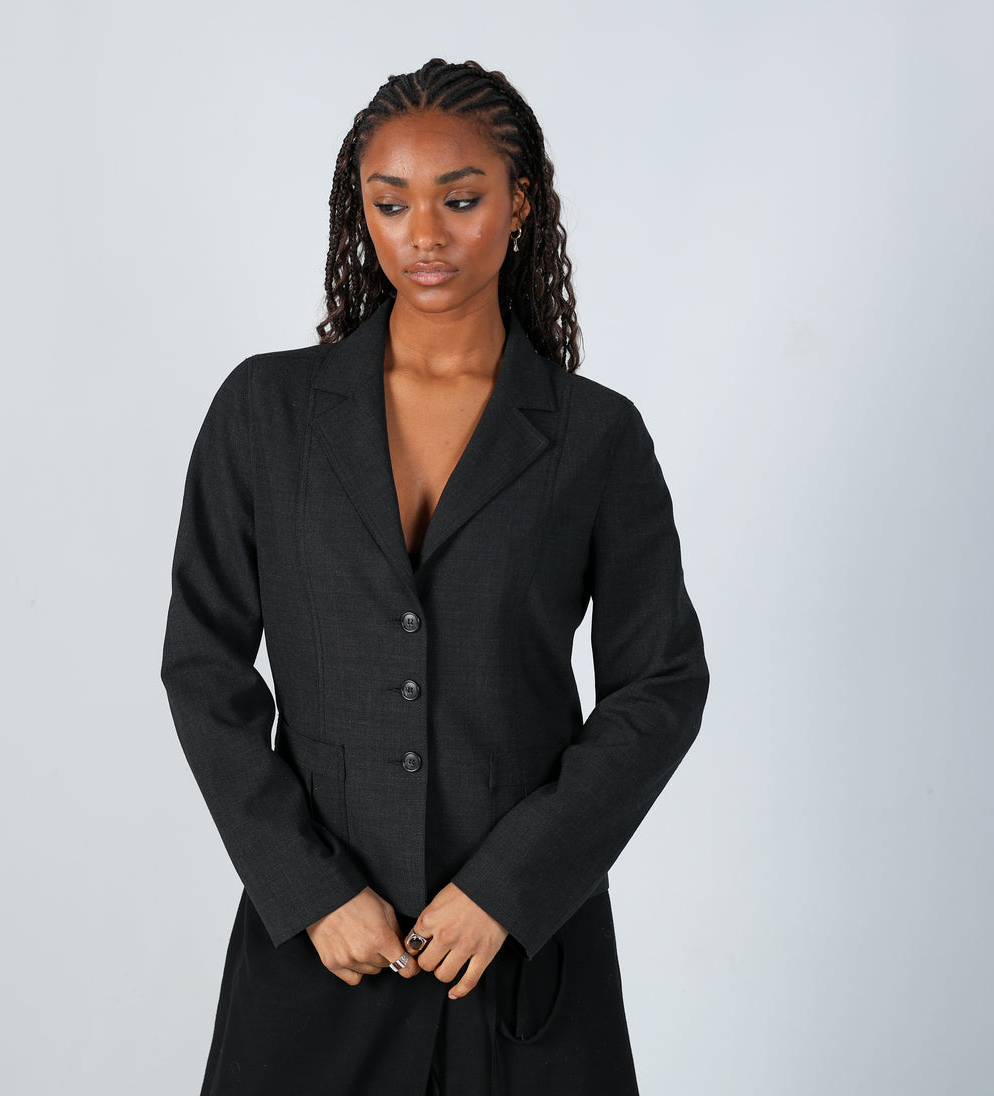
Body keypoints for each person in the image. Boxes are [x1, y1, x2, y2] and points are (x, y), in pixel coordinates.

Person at [160, 58, 709, 1095]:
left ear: (519, 203)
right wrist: (309, 888)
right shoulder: (266, 412)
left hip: (520, 957)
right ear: (358, 212)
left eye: (459, 200)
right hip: (319, 950)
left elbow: (661, 683)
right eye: (391, 202)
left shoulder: (595, 436)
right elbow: (202, 665)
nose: (424, 234)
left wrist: (510, 886)